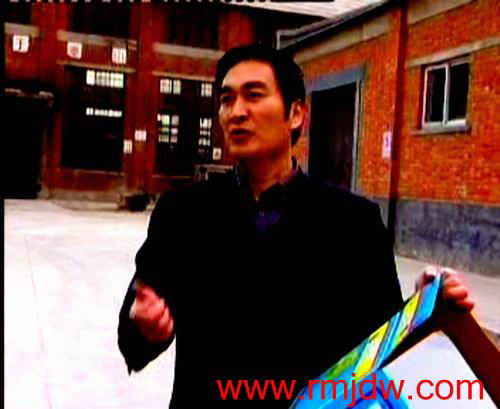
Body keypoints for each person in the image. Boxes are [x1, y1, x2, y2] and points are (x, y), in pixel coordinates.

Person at [118, 44, 474, 408]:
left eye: (254, 95)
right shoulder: (183, 214)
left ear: (296, 114)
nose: (236, 112)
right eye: (227, 100)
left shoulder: (353, 223)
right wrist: (145, 327)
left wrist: (422, 309)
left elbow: (383, 351)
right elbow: (132, 339)